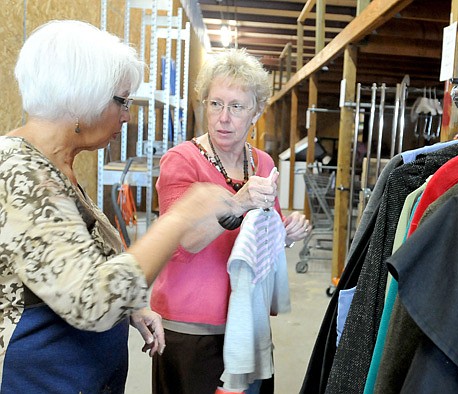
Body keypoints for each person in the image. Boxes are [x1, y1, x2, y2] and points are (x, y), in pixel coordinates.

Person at [0, 20, 273, 393]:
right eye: (121, 101)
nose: (126, 115)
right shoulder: (21, 173)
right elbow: (91, 300)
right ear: (82, 96)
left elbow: (75, 266)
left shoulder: (54, 168)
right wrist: (183, 216)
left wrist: (132, 306)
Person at [151, 48, 311, 394]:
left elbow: (265, 236)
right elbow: (181, 243)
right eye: (215, 104)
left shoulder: (264, 163)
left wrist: (287, 233)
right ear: (203, 105)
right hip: (192, 328)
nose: (224, 118)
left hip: (248, 324)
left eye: (236, 107)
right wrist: (237, 203)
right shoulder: (181, 161)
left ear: (256, 112)